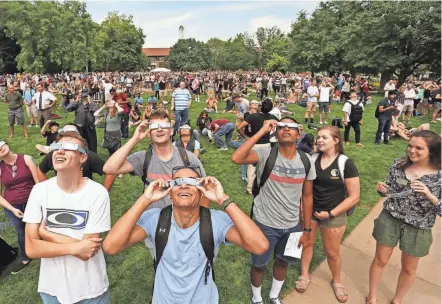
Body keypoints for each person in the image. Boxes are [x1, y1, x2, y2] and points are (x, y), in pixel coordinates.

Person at [103, 167, 268, 303]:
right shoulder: (155, 218)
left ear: (202, 191)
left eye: (191, 182)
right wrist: (145, 200)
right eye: (177, 182)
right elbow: (111, 246)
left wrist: (222, 199)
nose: (183, 186)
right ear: (169, 192)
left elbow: (259, 246)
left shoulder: (215, 220)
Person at [232, 117, 316, 304]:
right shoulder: (265, 152)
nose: (286, 128)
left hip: (293, 225)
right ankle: (257, 298)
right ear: (275, 132)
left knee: (282, 262)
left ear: (299, 133)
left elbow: (307, 196)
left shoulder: (306, 160)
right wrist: (261, 131)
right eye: (281, 126)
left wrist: (307, 229)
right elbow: (237, 158)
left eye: (291, 126)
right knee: (259, 264)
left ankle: (274, 296)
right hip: (264, 223)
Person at [23, 130, 111, 304]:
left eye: (69, 147)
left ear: (83, 158)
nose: (59, 151)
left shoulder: (97, 193)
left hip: (90, 290)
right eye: (56, 147)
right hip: (51, 290)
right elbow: (31, 249)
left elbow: (87, 252)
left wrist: (47, 235)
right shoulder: (40, 191)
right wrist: (76, 247)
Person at [367, 130, 441, 304]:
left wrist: (430, 196)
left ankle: (397, 300)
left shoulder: (439, 177)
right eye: (410, 146)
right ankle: (372, 296)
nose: (411, 151)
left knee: (409, 268)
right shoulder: (398, 164)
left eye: (419, 148)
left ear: (432, 151)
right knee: (380, 260)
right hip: (390, 218)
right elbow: (391, 191)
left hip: (419, 226)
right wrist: (383, 190)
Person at [296, 126, 360, 303]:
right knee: (307, 244)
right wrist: (302, 208)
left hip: (334, 215)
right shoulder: (312, 159)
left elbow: (354, 196)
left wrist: (331, 213)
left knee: (332, 253)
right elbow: (303, 187)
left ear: (336, 140)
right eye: (318, 137)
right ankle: (304, 275)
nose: (320, 140)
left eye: (324, 137)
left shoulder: (346, 163)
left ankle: (337, 282)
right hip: (310, 212)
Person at [103, 110, 206, 210]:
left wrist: (199, 218)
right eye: (154, 127)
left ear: (171, 131)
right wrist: (134, 139)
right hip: (152, 221)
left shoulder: (188, 158)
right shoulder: (142, 158)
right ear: (149, 133)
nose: (159, 129)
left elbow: (205, 190)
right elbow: (109, 168)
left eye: (164, 126)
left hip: (183, 220)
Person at [37, 124, 117, 192]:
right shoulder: (55, 154)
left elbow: (111, 172)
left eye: (70, 146)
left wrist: (103, 193)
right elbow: (40, 170)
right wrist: (47, 191)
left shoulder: (88, 156)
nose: (61, 151)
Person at [0, 140, 39, 274]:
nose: (0, 149)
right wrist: (12, 209)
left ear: (7, 145)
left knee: (41, 225)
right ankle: (26, 256)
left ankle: (46, 247)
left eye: (1, 145)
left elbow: (38, 181)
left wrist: (39, 200)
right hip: (13, 205)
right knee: (21, 231)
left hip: (32, 200)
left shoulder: (26, 159)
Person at [236, 99, 278, 194]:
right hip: (268, 145)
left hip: (254, 144)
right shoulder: (274, 118)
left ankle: (250, 188)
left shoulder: (253, 116)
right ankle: (264, 186)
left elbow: (238, 127)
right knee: (266, 166)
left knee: (252, 167)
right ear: (271, 108)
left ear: (260, 106)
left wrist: (245, 137)